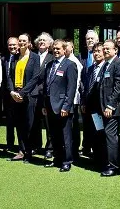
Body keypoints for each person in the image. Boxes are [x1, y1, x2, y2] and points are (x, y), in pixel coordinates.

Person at [91, 39, 120, 176]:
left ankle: (114, 166)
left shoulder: (118, 64)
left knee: (110, 136)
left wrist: (110, 105)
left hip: (111, 109)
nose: (105, 51)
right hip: (101, 108)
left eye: (108, 49)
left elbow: (118, 87)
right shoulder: (106, 64)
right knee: (105, 135)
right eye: (104, 48)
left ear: (115, 50)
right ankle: (108, 162)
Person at [42, 39, 78, 172]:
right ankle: (57, 159)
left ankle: (67, 161)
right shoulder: (49, 65)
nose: (56, 51)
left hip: (63, 107)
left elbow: (71, 88)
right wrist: (44, 105)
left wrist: (66, 107)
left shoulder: (70, 65)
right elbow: (46, 86)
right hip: (50, 106)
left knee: (65, 135)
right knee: (54, 135)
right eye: (54, 49)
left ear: (64, 50)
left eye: (58, 49)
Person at [6, 33, 40, 163]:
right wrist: (12, 92)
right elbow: (9, 76)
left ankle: (29, 153)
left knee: (29, 125)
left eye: (24, 41)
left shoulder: (35, 57)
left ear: (29, 42)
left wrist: (23, 93)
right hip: (15, 95)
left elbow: (35, 77)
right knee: (19, 124)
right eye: (19, 41)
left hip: (29, 96)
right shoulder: (14, 57)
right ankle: (21, 151)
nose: (21, 43)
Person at [80, 42, 105, 165]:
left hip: (101, 107)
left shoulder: (106, 67)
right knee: (93, 132)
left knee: (101, 134)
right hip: (90, 107)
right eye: (94, 51)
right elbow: (86, 88)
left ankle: (103, 159)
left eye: (99, 51)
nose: (96, 54)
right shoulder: (90, 69)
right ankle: (96, 157)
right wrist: (84, 102)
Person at [32, 32, 54, 158]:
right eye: (40, 40)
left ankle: (49, 148)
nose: (41, 42)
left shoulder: (51, 58)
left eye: (44, 40)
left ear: (49, 44)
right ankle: (36, 146)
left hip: (46, 95)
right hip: (33, 95)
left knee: (48, 123)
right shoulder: (33, 56)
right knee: (35, 122)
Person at [80, 30, 99, 157]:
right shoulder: (81, 57)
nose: (90, 40)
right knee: (86, 124)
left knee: (97, 124)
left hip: (97, 98)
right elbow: (80, 79)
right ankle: (86, 147)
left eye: (92, 38)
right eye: (88, 39)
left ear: (97, 41)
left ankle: (96, 148)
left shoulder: (101, 56)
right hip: (85, 96)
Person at [65, 39, 83, 159]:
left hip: (73, 99)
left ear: (72, 47)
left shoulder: (74, 62)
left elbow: (75, 84)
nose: (65, 48)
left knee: (73, 127)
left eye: (67, 46)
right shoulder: (64, 60)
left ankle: (74, 151)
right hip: (68, 99)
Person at [1, 37, 19, 151]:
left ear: (18, 45)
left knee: (19, 120)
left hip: (17, 93)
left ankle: (21, 145)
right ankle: (9, 144)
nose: (12, 47)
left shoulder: (20, 58)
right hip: (6, 94)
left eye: (14, 45)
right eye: (10, 45)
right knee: (9, 121)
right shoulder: (3, 58)